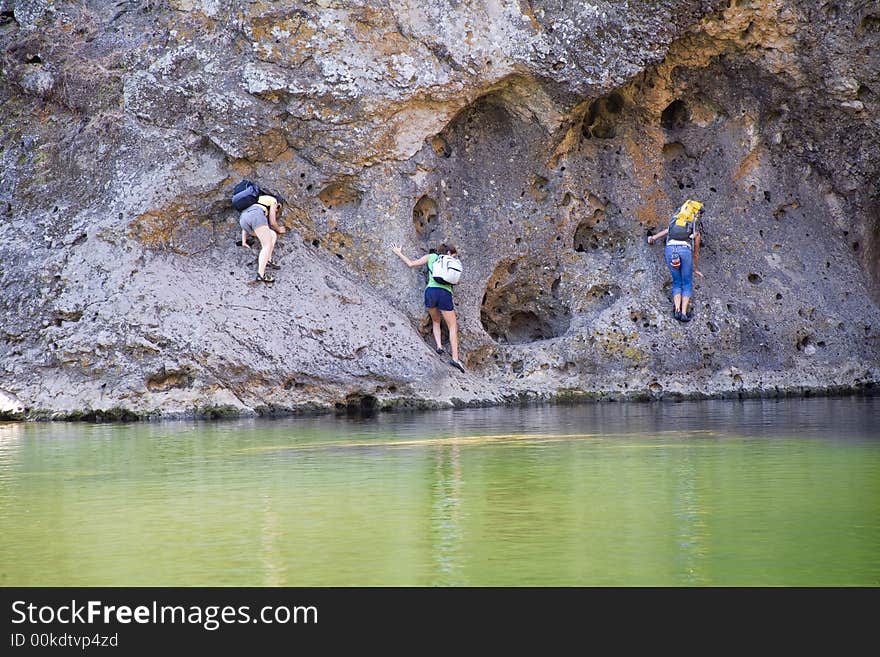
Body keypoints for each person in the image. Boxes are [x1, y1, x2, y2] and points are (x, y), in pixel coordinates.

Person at [391, 242, 466, 373]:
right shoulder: (450, 261)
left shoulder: (431, 257)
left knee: (435, 320)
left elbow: (411, 264)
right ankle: (455, 358)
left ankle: (439, 346)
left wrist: (399, 253)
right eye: (454, 255)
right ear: (449, 253)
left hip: (430, 291)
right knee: (452, 327)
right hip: (444, 293)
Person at [647, 199, 704, 321]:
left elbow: (665, 232)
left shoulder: (674, 224)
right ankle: (683, 313)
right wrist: (696, 269)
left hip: (670, 249)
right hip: (685, 251)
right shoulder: (694, 231)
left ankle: (677, 309)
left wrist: (652, 238)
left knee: (677, 281)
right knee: (687, 283)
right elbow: (696, 253)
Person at [240, 193, 282, 283]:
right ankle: (261, 275)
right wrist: (280, 229)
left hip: (243, 219)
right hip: (256, 216)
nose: (277, 210)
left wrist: (244, 241)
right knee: (266, 245)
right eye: (278, 208)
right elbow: (272, 222)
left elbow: (246, 224)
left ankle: (268, 259)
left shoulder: (256, 202)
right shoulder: (273, 201)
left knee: (272, 234)